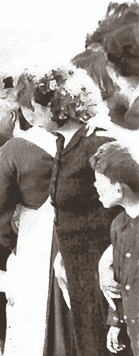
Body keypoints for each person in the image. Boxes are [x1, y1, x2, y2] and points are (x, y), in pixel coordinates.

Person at [23, 67, 116, 355]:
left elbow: (122, 210)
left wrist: (110, 265)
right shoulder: (65, 144)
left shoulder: (96, 143)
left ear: (57, 106)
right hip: (77, 267)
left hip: (102, 269)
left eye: (37, 104)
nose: (32, 110)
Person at [0, 75, 71, 355]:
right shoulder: (63, 141)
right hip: (65, 235)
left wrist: (9, 240)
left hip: (33, 238)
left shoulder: (14, 149)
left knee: (30, 320)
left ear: (13, 114)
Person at [90, 141, 139, 354]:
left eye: (99, 181)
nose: (95, 186)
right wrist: (116, 322)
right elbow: (119, 282)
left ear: (118, 188)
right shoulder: (118, 225)